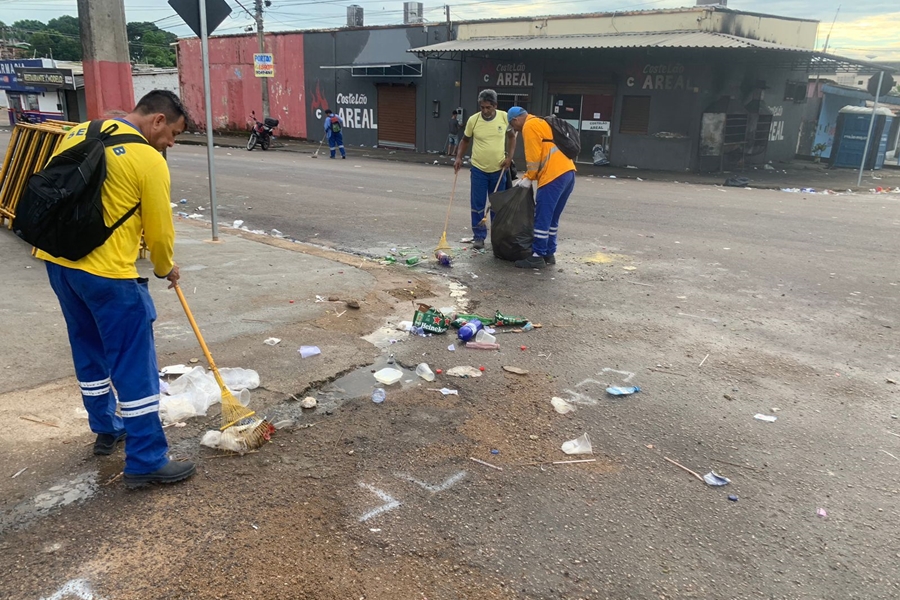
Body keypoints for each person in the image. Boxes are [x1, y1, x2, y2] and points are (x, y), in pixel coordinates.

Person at [37, 90, 196, 488]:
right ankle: (146, 460)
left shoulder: (78, 132)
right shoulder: (147, 159)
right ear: (158, 120)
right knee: (134, 364)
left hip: (59, 265)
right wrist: (165, 268)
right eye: (173, 134)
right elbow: (159, 233)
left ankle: (107, 428)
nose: (171, 143)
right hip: (108, 275)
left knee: (88, 349)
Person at [506, 106, 576, 269]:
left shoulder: (529, 126)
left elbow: (533, 156)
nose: (515, 130)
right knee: (552, 218)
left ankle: (537, 256)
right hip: (568, 173)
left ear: (516, 120)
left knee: (542, 217)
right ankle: (549, 253)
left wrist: (529, 177)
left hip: (553, 176)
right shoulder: (542, 122)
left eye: (513, 126)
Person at [454, 89, 516, 249]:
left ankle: (497, 237)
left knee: (497, 205)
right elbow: (465, 140)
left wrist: (509, 157)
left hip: (499, 169)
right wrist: (459, 157)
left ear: (495, 105)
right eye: (482, 107)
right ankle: (479, 237)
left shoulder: (504, 117)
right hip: (479, 170)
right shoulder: (473, 120)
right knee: (477, 204)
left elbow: (512, 137)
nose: (485, 111)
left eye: (488, 107)